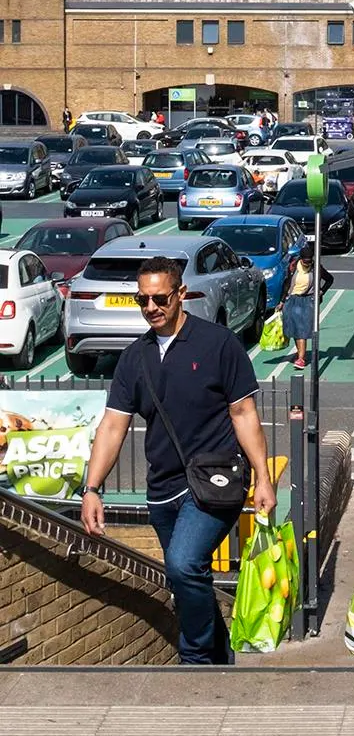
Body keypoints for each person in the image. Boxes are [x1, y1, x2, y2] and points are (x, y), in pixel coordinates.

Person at [81, 255, 276, 665]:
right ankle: (221, 659)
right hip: (163, 489)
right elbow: (113, 426)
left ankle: (195, 659)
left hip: (215, 483)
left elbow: (244, 414)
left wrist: (263, 477)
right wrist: (92, 489)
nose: (151, 308)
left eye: (160, 299)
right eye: (142, 300)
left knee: (185, 564)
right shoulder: (135, 357)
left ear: (181, 294)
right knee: (185, 576)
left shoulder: (218, 344)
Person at [281, 241, 333, 370]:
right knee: (294, 329)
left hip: (307, 301)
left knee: (302, 331)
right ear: (301, 259)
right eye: (305, 261)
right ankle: (300, 354)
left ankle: (301, 359)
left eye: (309, 261)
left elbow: (330, 279)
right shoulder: (293, 266)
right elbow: (287, 284)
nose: (307, 264)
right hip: (292, 300)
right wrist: (282, 301)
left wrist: (320, 292)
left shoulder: (316, 268)